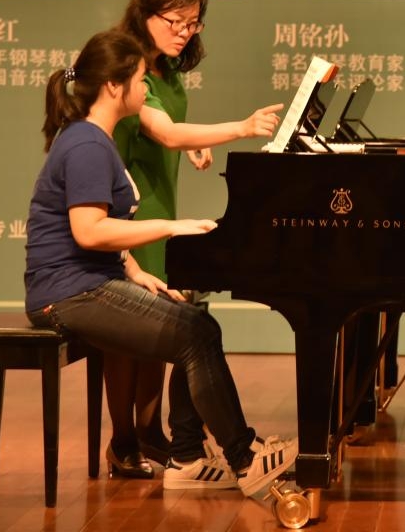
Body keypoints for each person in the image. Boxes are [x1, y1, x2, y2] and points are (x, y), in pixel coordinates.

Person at [24, 27, 297, 497]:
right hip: (68, 294)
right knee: (195, 334)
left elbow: (104, 231)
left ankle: (188, 457)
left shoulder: (97, 139)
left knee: (198, 324)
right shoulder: (88, 145)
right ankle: (243, 458)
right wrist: (171, 226)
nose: (145, 87)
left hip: (88, 284)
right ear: (114, 87)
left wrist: (135, 272)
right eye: (139, 79)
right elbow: (89, 231)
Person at [106, 0, 285, 488]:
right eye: (176, 21)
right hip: (126, 208)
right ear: (146, 14)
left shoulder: (166, 68)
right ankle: (122, 441)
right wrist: (240, 128)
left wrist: (193, 143)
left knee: (155, 329)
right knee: (127, 338)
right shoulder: (126, 62)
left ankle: (149, 432)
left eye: (193, 22)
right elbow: (161, 131)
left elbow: (167, 128)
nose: (185, 31)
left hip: (160, 201)